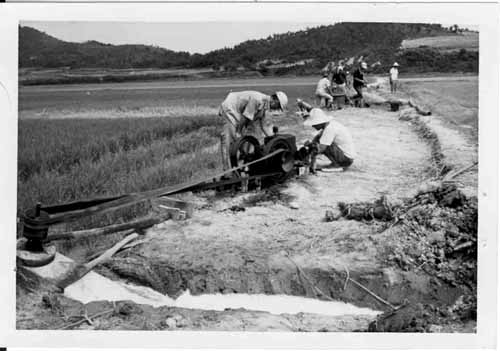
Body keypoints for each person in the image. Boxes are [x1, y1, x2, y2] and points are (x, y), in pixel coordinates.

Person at [218, 90, 288, 170]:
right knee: (229, 139)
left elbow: (264, 125)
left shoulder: (265, 106)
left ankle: (245, 163)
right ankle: (227, 170)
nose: (276, 109)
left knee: (250, 135)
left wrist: (273, 138)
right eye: (278, 107)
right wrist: (238, 132)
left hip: (239, 112)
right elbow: (245, 117)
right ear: (275, 101)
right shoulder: (257, 100)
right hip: (230, 108)